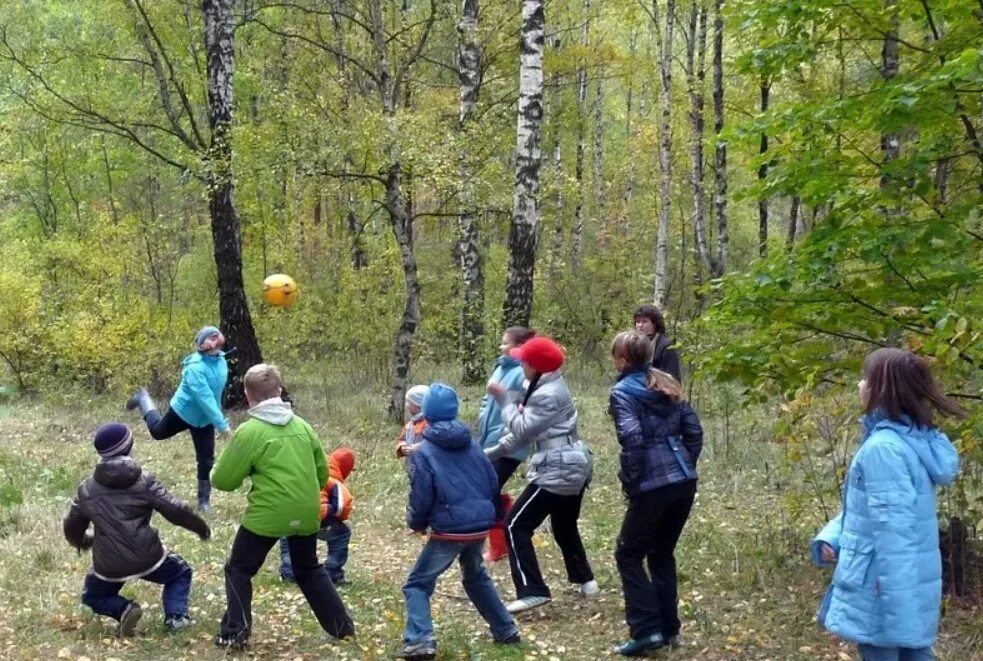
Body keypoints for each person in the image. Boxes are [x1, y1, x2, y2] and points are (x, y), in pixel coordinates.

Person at [811, 348, 963, 661]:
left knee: (895, 651)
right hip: (903, 581)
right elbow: (869, 513)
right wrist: (833, 536)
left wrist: (895, 605)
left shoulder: (883, 449)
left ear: (882, 389)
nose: (859, 385)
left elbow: (894, 534)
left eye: (865, 378)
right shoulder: (910, 439)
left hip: (882, 588)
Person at [211, 363, 354, 650]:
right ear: (279, 391)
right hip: (307, 510)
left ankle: (235, 633)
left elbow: (224, 480)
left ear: (248, 396)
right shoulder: (303, 426)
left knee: (238, 569)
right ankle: (342, 628)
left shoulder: (249, 432)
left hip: (268, 514)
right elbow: (322, 474)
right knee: (309, 568)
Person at [397, 382, 520, 661]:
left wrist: (416, 523)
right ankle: (506, 630)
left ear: (425, 414)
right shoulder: (473, 445)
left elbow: (421, 494)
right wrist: (493, 517)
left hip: (450, 529)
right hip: (479, 524)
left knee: (417, 584)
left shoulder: (424, 451)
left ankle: (420, 641)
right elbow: (492, 482)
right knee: (475, 576)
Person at [63, 422, 211, 637]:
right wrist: (200, 528)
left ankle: (122, 608)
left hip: (108, 563)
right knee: (180, 572)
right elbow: (174, 509)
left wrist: (83, 541)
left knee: (93, 596)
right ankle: (177, 618)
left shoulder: (87, 489)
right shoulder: (144, 481)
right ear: (129, 447)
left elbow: (72, 525)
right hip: (148, 556)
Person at [484, 336, 597, 614]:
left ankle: (532, 590)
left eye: (523, 360)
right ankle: (586, 581)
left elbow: (521, 429)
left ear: (535, 367)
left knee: (514, 525)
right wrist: (488, 454)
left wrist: (504, 402)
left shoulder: (548, 394)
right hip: (569, 463)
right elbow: (517, 437)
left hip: (559, 468)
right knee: (564, 525)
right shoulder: (542, 385)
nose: (520, 364)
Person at [608, 331, 703, 656]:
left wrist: (631, 481)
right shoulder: (665, 382)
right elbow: (694, 431)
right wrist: (684, 464)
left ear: (622, 359)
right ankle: (669, 629)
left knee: (628, 554)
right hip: (683, 482)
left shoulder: (623, 391)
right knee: (661, 553)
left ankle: (647, 630)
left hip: (654, 484)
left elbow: (632, 439)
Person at [125, 325, 230, 512]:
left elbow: (216, 395)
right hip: (183, 412)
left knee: (206, 460)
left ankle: (204, 501)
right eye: (210, 338)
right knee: (157, 433)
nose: (215, 341)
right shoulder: (194, 369)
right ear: (201, 344)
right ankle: (143, 399)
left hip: (204, 420)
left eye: (217, 336)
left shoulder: (222, 361)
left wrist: (216, 418)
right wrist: (223, 425)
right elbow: (205, 398)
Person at [476, 327, 536, 563]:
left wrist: (506, 433)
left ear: (519, 347)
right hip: (489, 439)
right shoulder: (500, 367)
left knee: (488, 488)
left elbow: (525, 407)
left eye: (505, 343)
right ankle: (502, 537)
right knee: (490, 489)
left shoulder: (525, 374)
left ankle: (499, 544)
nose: (501, 347)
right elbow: (487, 400)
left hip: (510, 444)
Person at [279, 447, 356, 585]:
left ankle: (289, 572)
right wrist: (330, 511)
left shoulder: (307, 470)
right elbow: (341, 506)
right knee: (342, 533)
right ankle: (332, 572)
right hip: (317, 517)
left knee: (289, 538)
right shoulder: (333, 481)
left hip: (289, 515)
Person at [632, 305, 681, 383]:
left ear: (654, 324)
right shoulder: (633, 344)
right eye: (638, 322)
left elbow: (673, 377)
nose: (640, 325)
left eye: (644, 321)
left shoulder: (666, 346)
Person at [396, 385, 429, 459]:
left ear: (418, 404)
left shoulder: (429, 424)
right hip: (412, 466)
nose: (406, 405)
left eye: (409, 402)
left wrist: (417, 448)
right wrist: (402, 447)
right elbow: (402, 439)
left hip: (426, 466)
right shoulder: (410, 424)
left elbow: (434, 444)